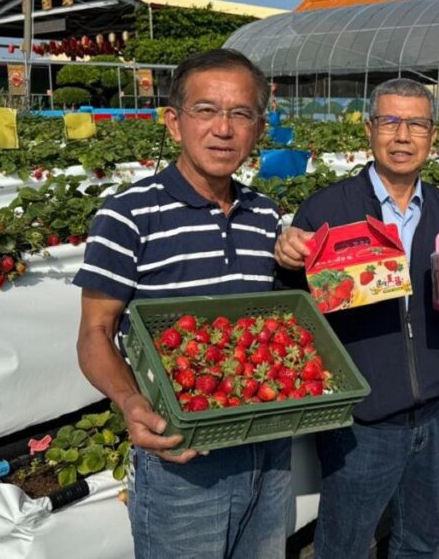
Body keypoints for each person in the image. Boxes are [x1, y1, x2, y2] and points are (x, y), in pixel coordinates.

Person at [74, 49, 290, 558]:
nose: (224, 128)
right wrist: (130, 402)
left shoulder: (266, 216)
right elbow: (94, 334)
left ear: (259, 127)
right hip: (183, 457)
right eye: (206, 110)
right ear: (174, 123)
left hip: (269, 446)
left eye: (241, 114)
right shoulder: (128, 215)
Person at [275, 78, 439, 558]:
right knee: (345, 544)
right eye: (390, 121)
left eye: (416, 124)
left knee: (421, 540)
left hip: (437, 409)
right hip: (361, 420)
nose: (402, 136)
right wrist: (286, 264)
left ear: (433, 135)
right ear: (369, 130)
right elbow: (295, 310)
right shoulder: (328, 210)